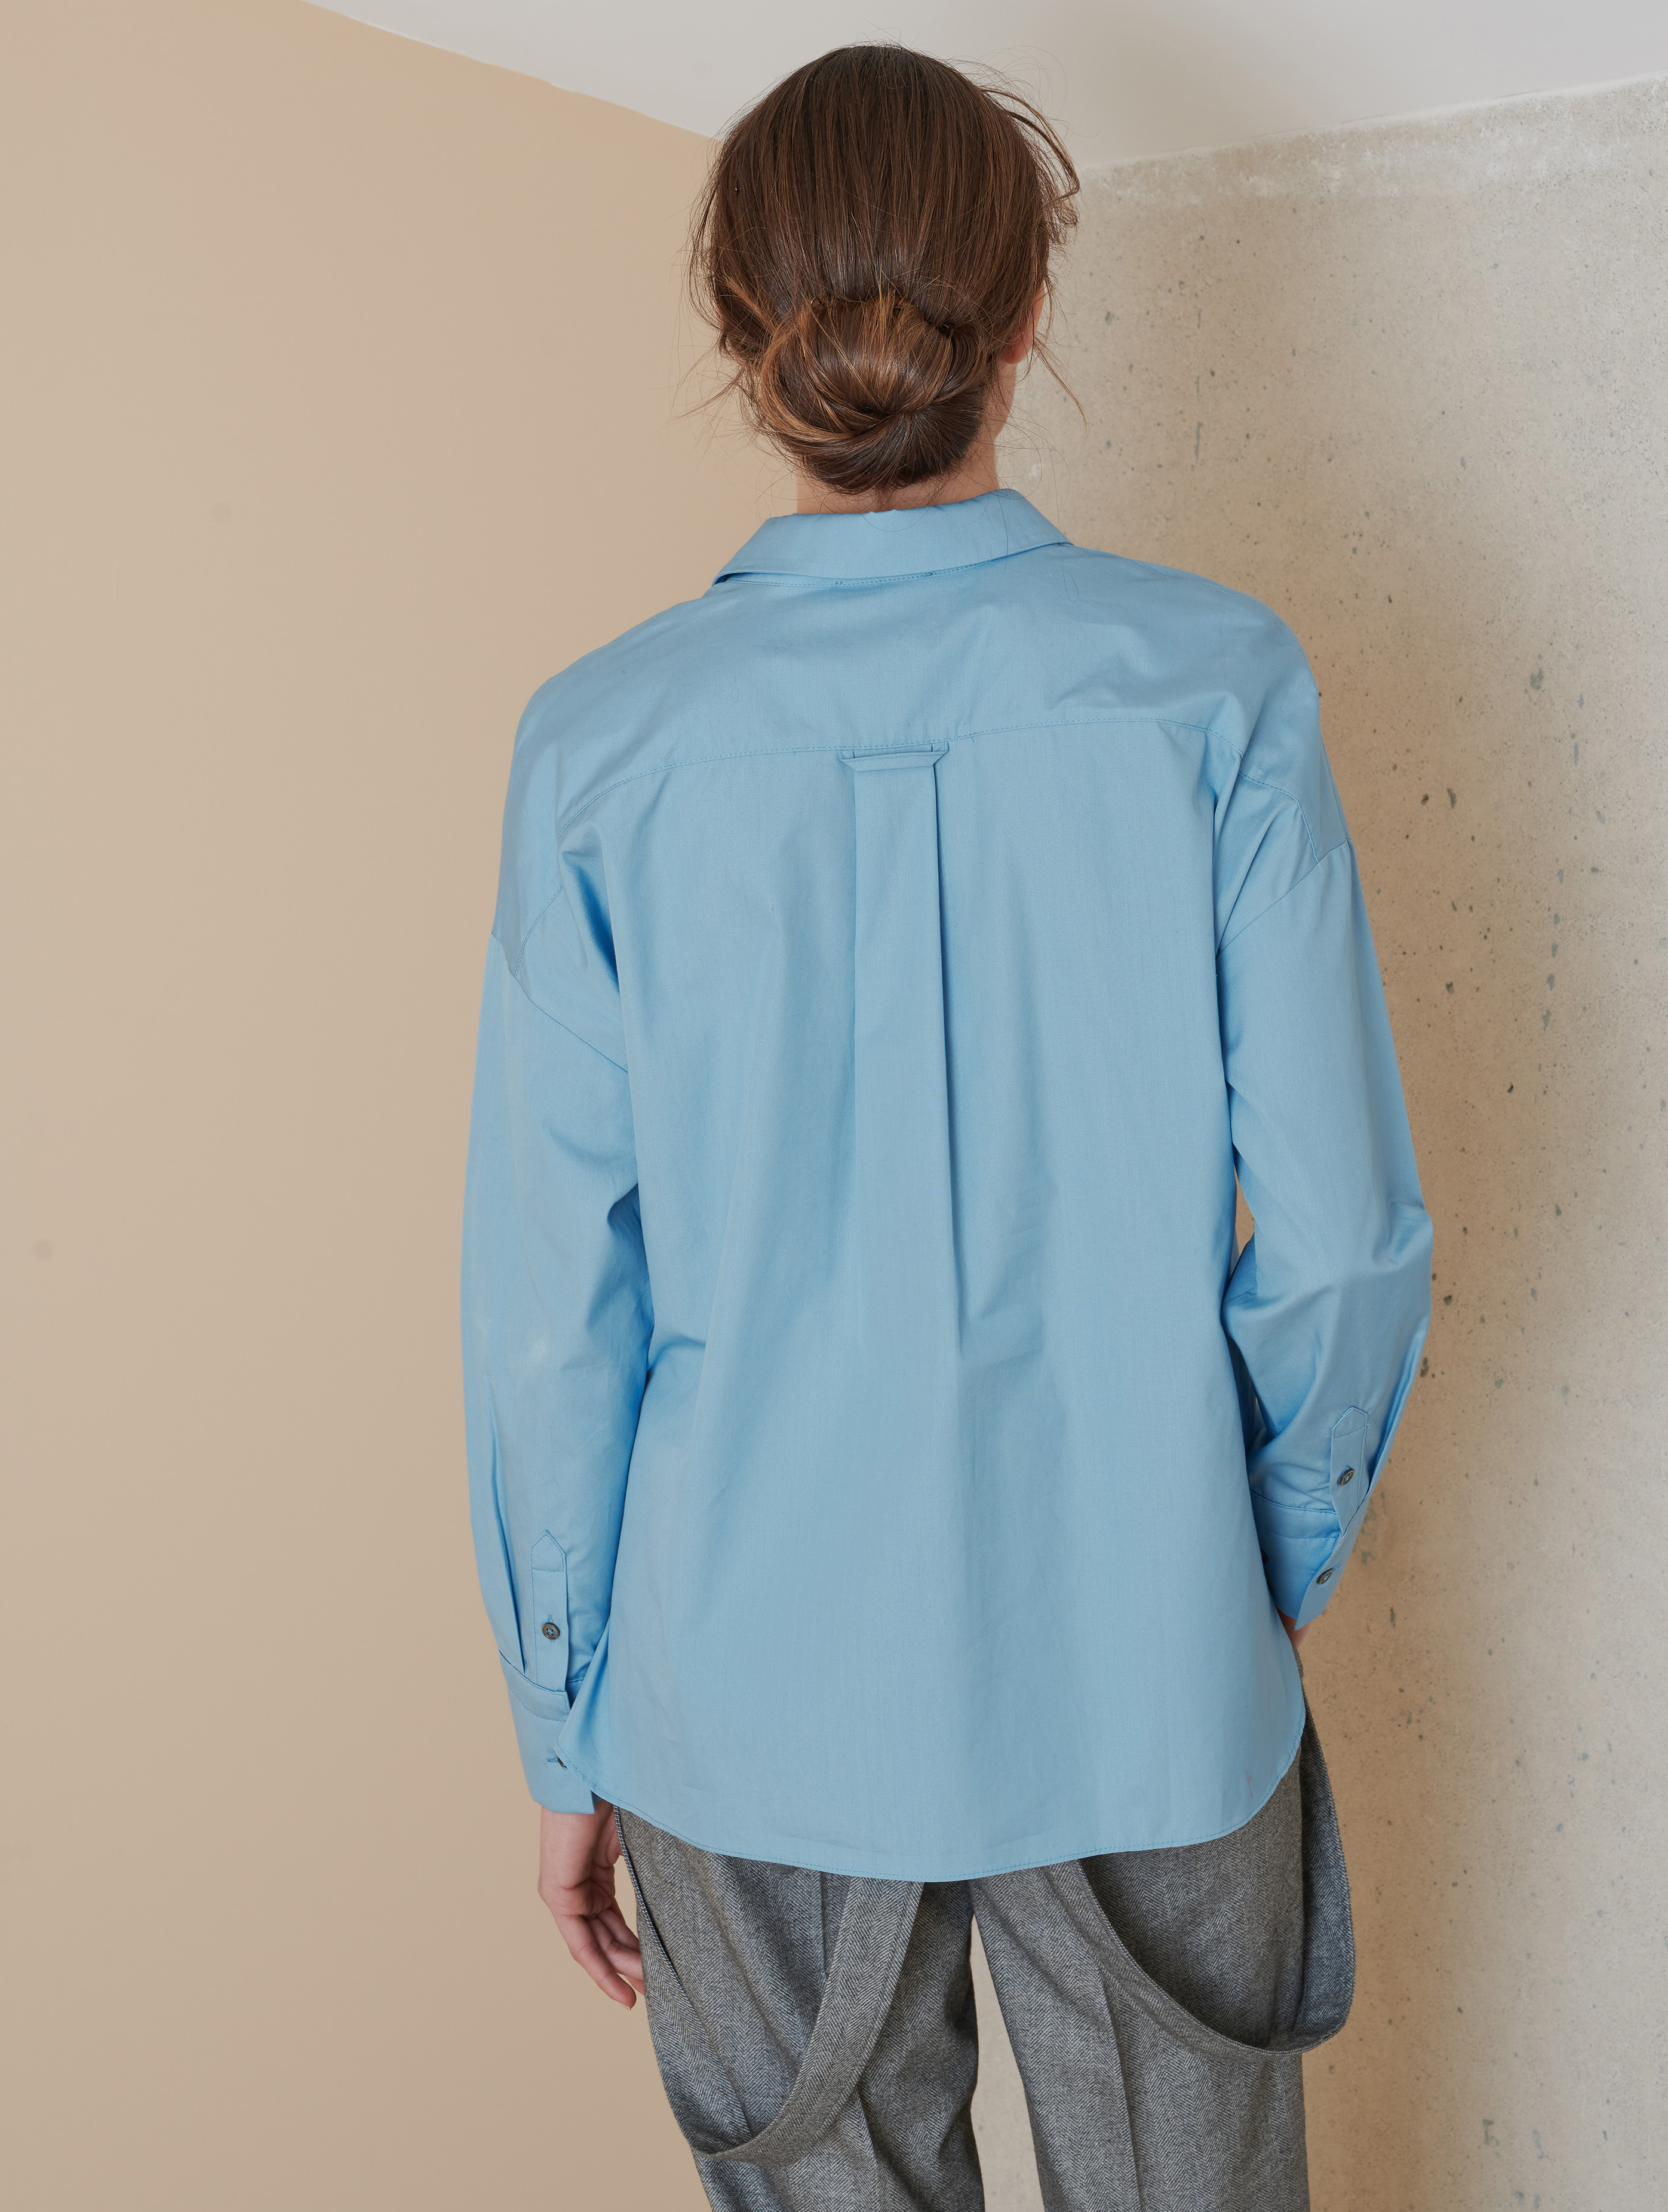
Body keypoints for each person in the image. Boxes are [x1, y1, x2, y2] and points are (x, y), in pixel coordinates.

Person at [461, 43, 1432, 2211]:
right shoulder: (1215, 685)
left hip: (738, 1699)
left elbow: (552, 1324)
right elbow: (1346, 1237)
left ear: (743, 332)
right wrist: (1266, 1551)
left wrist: (564, 1718)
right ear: (1030, 314)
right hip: (1150, 1659)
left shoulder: (599, 749)